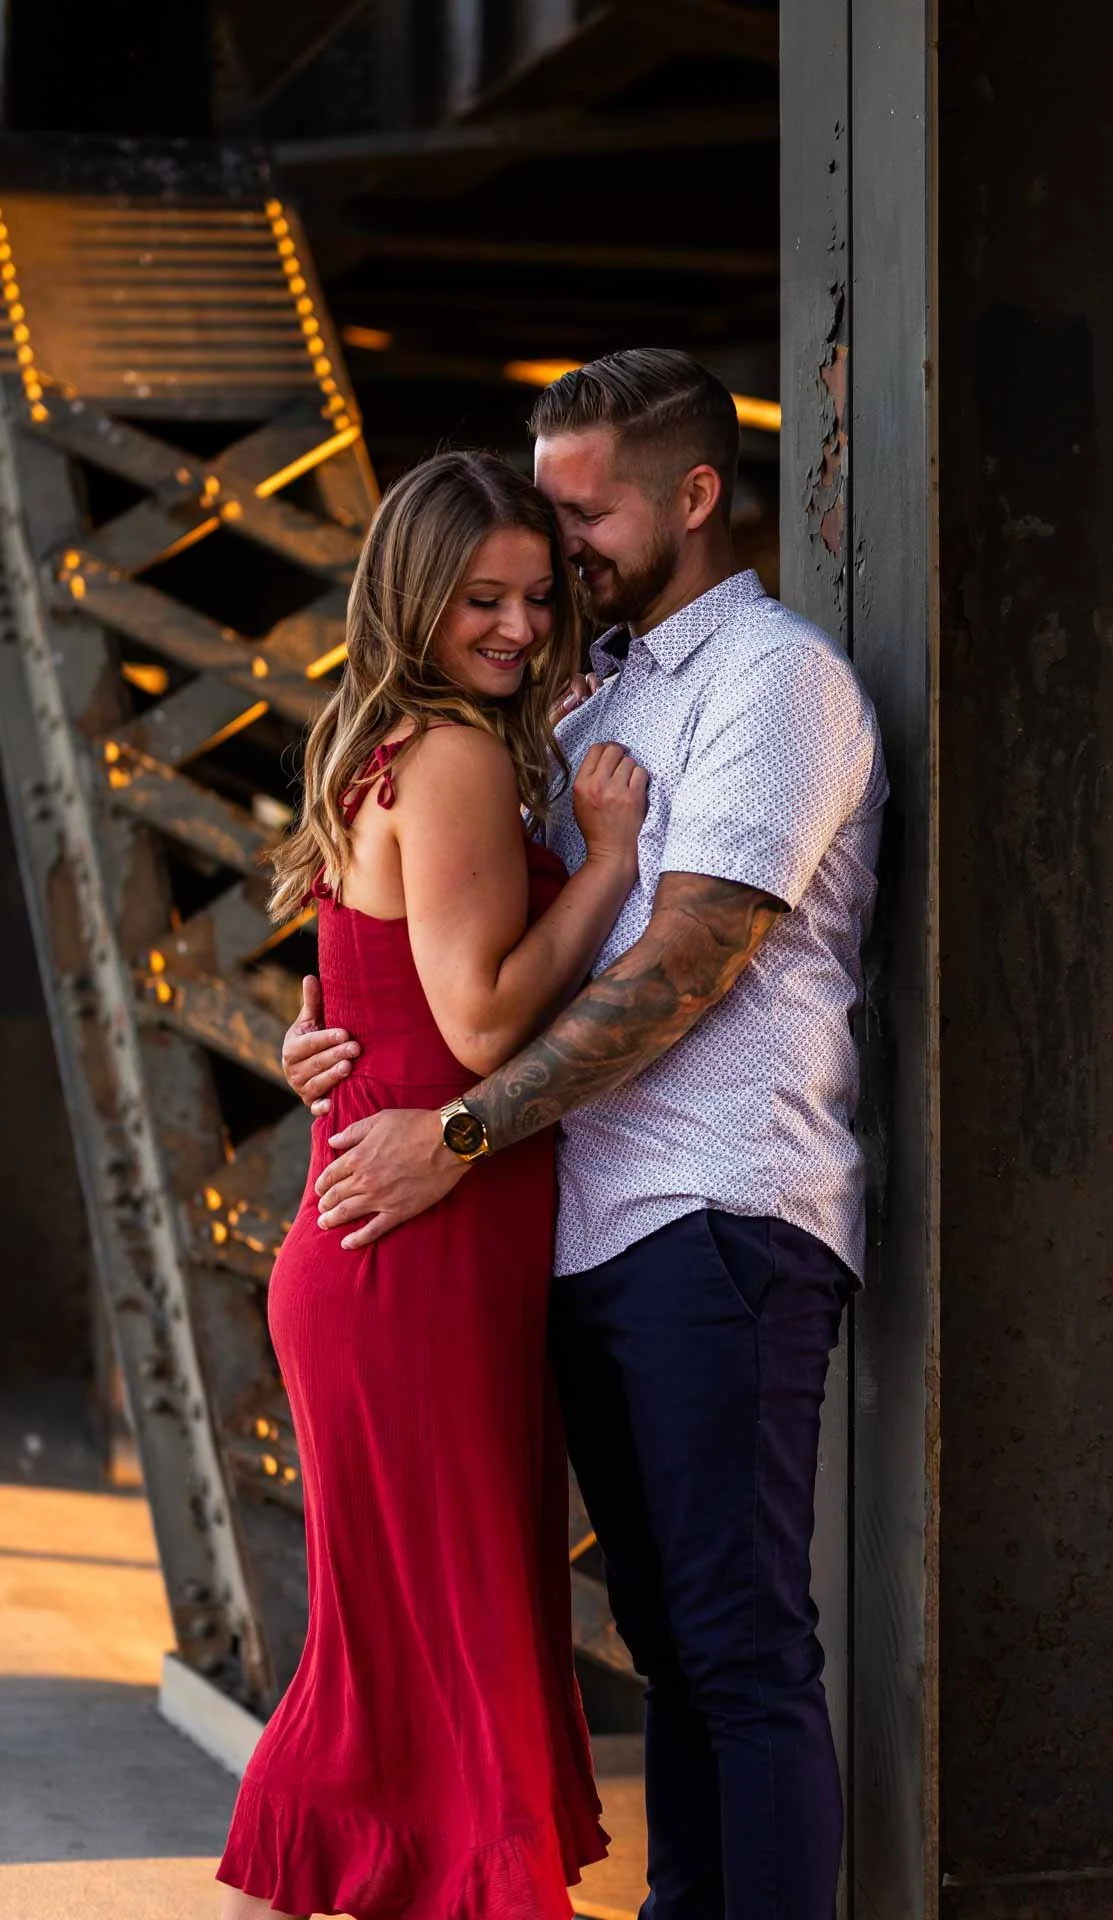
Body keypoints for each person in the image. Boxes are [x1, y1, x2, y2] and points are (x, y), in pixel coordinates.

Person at [284, 350, 888, 1920]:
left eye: (582, 516)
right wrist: (341, 1038)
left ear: (692, 497)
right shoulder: (590, 698)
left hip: (719, 1216)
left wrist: (456, 1132)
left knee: (740, 1648)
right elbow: (449, 940)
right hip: (582, 1232)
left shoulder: (773, 683)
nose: (555, 558)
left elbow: (687, 961)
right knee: (674, 1646)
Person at [216, 449, 650, 1920]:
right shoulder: (455, 754)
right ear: (414, 596)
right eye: (482, 600)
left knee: (394, 1679)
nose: (520, 627)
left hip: (394, 1251)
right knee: (418, 1671)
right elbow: (478, 1023)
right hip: (418, 1260)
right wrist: (608, 864)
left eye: (536, 596)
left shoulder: (390, 743)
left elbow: (377, 1001)